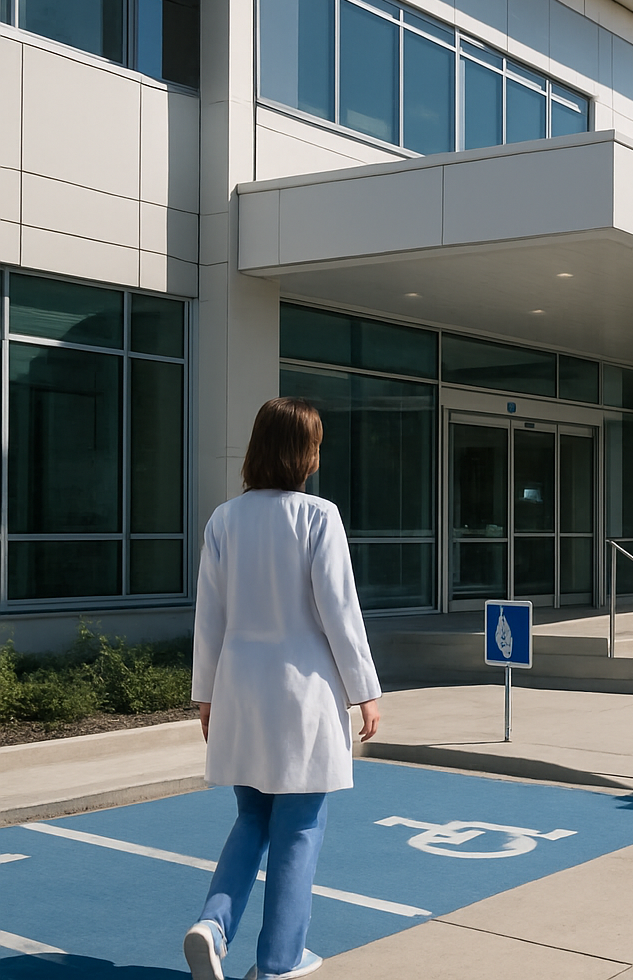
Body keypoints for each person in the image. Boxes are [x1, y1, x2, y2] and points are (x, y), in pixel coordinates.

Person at [182, 397, 382, 980]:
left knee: (251, 819)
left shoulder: (223, 519)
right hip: (303, 693)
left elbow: (208, 617)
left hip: (238, 688)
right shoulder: (319, 517)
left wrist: (205, 695)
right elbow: (340, 613)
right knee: (298, 829)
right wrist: (364, 690)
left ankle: (214, 926)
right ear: (305, 454)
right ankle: (278, 962)